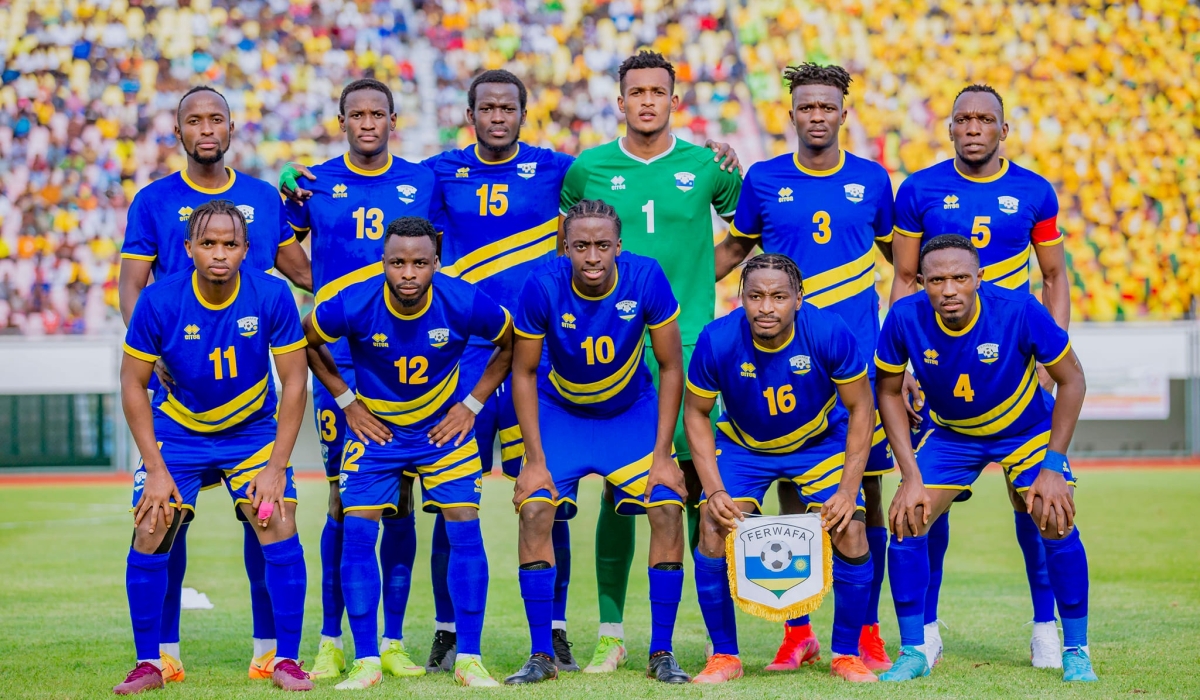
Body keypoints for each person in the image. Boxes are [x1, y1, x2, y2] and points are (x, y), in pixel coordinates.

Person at [715, 63, 910, 671]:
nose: (817, 116)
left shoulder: (873, 180)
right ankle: (797, 629)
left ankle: (866, 630)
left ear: (843, 114)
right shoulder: (765, 178)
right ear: (792, 114)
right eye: (807, 107)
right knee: (792, 491)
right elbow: (735, 251)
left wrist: (904, 347)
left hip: (857, 365)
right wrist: (666, 284)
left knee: (864, 494)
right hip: (782, 365)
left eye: (827, 106)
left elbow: (902, 266)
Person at [117, 85, 313, 683]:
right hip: (178, 407)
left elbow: (307, 275)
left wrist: (317, 212)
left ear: (231, 127)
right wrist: (157, 351)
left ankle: (275, 655)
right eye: (194, 120)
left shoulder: (264, 204)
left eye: (216, 119)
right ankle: (157, 658)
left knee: (272, 518)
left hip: (248, 419)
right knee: (157, 521)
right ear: (178, 131)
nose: (206, 129)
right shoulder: (154, 208)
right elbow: (131, 293)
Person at [558, 51, 743, 672]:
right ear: (620, 102)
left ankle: (713, 639)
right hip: (613, 352)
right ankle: (611, 634)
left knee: (697, 489)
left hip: (688, 349)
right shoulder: (588, 168)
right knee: (619, 493)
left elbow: (745, 234)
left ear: (673, 101)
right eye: (635, 92)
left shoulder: (707, 166)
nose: (646, 101)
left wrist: (695, 279)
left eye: (656, 92)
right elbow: (567, 249)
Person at [889, 84, 1070, 667]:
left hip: (1013, 364)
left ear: (1002, 129)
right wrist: (908, 361)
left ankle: (1046, 628)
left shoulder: (1035, 191)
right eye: (962, 119)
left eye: (984, 119)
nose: (973, 128)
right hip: (943, 368)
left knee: (1034, 506)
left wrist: (1050, 357)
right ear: (949, 129)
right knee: (924, 505)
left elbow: (1054, 277)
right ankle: (926, 631)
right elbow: (906, 278)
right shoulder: (918, 189)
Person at [301, 216, 513, 689]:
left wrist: (472, 405)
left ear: (437, 262)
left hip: (442, 433)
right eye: (397, 262)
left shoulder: (463, 299)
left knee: (465, 524)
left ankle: (470, 659)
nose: (409, 273)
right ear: (383, 262)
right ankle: (366, 661)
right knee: (358, 532)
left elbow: (511, 341)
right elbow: (305, 338)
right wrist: (347, 401)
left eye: (420, 263)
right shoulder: (356, 301)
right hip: (376, 434)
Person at [874, 234, 1095, 683]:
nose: (949, 289)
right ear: (921, 282)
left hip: (1025, 430)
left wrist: (1054, 465)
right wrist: (910, 475)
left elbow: (1073, 380)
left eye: (960, 278)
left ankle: (1076, 648)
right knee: (907, 517)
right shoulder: (903, 316)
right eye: (936, 280)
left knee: (1053, 514)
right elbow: (889, 391)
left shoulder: (1019, 309)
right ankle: (915, 649)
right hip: (953, 435)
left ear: (979, 278)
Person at [278, 78, 439, 680]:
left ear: (393, 121)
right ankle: (331, 639)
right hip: (341, 362)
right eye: (357, 114)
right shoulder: (314, 181)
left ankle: (391, 640)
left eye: (377, 113)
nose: (367, 122)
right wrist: (322, 285)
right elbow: (279, 242)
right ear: (341, 120)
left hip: (407, 360)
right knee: (343, 501)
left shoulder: (423, 180)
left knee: (400, 501)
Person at [419, 69, 577, 672]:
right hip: (462, 359)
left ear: (522, 114)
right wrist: (299, 183)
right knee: (452, 499)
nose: (497, 117)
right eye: (486, 108)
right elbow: (377, 188)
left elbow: (630, 176)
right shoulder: (438, 172)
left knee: (548, 499)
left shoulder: (557, 169)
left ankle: (555, 628)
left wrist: (719, 156)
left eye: (507, 107)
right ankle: (447, 629)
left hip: (535, 358)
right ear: (470, 115)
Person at [506, 199, 689, 685]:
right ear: (565, 247)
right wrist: (534, 459)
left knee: (667, 507)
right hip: (561, 413)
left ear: (618, 246)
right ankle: (541, 654)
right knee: (535, 509)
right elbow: (523, 372)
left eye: (602, 246)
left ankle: (662, 651)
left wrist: (664, 455)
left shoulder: (646, 277)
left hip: (629, 416)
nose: (592, 257)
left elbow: (671, 366)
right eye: (581, 246)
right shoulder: (543, 284)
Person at [684, 253, 879, 684]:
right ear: (741, 298)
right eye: (755, 296)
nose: (766, 307)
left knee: (850, 528)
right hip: (745, 447)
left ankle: (846, 655)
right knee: (714, 527)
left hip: (817, 444)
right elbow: (695, 413)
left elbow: (861, 408)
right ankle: (725, 656)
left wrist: (849, 490)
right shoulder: (717, 339)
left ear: (798, 298)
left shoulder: (829, 331)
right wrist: (714, 490)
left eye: (778, 297)